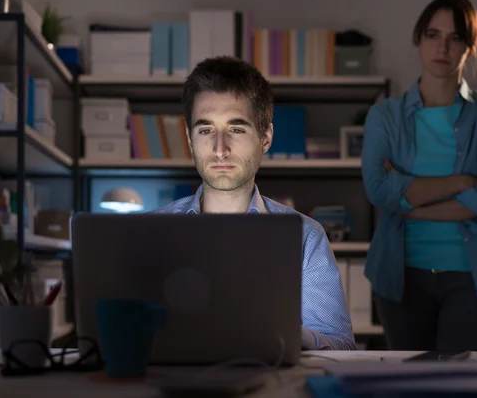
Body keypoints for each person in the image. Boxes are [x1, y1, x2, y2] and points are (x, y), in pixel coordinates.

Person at [151, 55, 356, 351]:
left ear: (266, 137)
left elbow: (341, 346)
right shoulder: (149, 231)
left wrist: (282, 333)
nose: (220, 150)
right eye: (206, 130)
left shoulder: (305, 235)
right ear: (189, 139)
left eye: (236, 128)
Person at [361, 0, 477, 351]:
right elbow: (378, 189)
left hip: (473, 278)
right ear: (418, 40)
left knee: (461, 386)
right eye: (433, 35)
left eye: (456, 37)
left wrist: (410, 203)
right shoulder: (385, 116)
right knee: (408, 386)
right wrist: (463, 184)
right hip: (401, 276)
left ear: (471, 46)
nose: (442, 47)